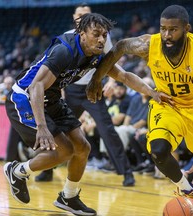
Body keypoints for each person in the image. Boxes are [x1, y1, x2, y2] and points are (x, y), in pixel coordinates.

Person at [85, 5, 193, 216]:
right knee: (158, 150)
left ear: (186, 28)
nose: (167, 35)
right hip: (167, 104)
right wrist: (97, 78)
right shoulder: (150, 45)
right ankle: (187, 188)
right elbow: (121, 46)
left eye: (173, 29)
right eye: (163, 28)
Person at [3, 13, 171, 216]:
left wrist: (152, 93)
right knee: (64, 151)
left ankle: (69, 196)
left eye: (105, 35)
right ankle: (17, 171)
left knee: (83, 147)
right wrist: (42, 126)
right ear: (82, 33)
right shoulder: (64, 51)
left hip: (52, 98)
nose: (102, 39)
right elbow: (36, 85)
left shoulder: (98, 55)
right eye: (96, 34)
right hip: (25, 98)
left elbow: (124, 76)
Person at [36, 3, 137, 186]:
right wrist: (60, 92)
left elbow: (111, 61)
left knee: (108, 131)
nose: (82, 17)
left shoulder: (101, 35)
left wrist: (112, 82)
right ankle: (47, 170)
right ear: (74, 17)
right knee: (60, 131)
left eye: (86, 14)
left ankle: (126, 172)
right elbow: (57, 72)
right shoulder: (68, 39)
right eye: (79, 14)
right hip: (71, 90)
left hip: (92, 90)